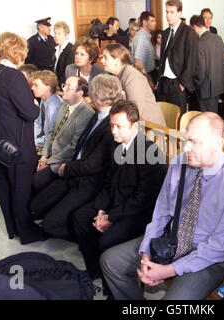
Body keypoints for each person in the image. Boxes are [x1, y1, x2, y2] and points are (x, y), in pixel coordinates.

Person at [100, 112, 224, 300]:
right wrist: (147, 251)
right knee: (110, 262)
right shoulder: (179, 164)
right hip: (171, 239)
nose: (186, 147)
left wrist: (166, 271)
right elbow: (161, 213)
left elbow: (219, 248)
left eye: (194, 142)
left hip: (208, 256)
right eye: (185, 140)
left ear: (217, 143)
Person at [72, 100, 167, 282]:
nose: (113, 131)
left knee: (106, 240)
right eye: (111, 125)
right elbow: (109, 182)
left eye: (119, 126)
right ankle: (95, 270)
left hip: (138, 213)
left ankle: (111, 280)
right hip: (117, 203)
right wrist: (101, 209)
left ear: (135, 126)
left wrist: (110, 217)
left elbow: (142, 199)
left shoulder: (150, 153)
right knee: (80, 217)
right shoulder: (116, 144)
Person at [29, 74, 120, 239]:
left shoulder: (109, 125)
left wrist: (65, 168)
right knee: (36, 206)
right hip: (74, 171)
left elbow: (93, 165)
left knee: (50, 223)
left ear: (96, 96)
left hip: (88, 181)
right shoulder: (97, 114)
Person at [0, 32, 45, 244]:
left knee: (5, 187)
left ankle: (12, 229)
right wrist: (35, 106)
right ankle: (26, 232)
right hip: (16, 145)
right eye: (23, 50)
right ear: (15, 51)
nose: (25, 54)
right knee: (21, 190)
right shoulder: (14, 76)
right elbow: (29, 112)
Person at [32, 76, 94, 194]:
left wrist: (48, 162)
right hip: (49, 154)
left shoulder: (86, 113)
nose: (64, 89)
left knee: (36, 181)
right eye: (64, 85)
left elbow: (73, 147)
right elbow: (52, 132)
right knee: (25, 167)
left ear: (79, 93)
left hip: (62, 160)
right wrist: (44, 156)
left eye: (68, 87)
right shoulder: (64, 105)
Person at [101, 43, 166, 127]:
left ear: (116, 61)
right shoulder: (117, 75)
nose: (102, 60)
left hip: (149, 128)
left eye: (105, 57)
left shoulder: (132, 77)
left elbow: (134, 111)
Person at [157, 0, 198, 115]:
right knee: (162, 116)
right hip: (163, 82)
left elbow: (191, 60)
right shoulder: (165, 33)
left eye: (172, 12)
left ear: (179, 13)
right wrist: (159, 80)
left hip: (177, 83)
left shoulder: (188, 32)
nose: (168, 15)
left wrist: (182, 83)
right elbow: (163, 58)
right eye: (167, 12)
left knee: (177, 118)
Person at [189, 15, 224, 113]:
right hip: (218, 85)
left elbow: (200, 70)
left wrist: (193, 85)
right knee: (214, 114)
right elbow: (222, 60)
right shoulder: (218, 38)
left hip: (205, 87)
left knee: (207, 117)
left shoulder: (199, 43)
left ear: (195, 28)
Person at [31, 70, 63, 153]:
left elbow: (51, 135)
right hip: (40, 140)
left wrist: (33, 141)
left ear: (48, 87)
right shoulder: (43, 99)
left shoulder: (54, 106)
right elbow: (38, 124)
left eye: (36, 85)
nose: (32, 88)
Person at [131, 11, 157, 83]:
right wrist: (148, 80)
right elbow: (138, 62)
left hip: (149, 74)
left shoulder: (146, 36)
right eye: (152, 21)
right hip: (147, 76)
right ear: (145, 22)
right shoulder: (142, 38)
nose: (155, 23)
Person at [53, 21, 74, 88]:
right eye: (55, 33)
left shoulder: (70, 50)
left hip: (64, 86)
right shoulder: (55, 49)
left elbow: (68, 72)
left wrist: (58, 85)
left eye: (59, 33)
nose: (56, 36)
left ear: (66, 35)